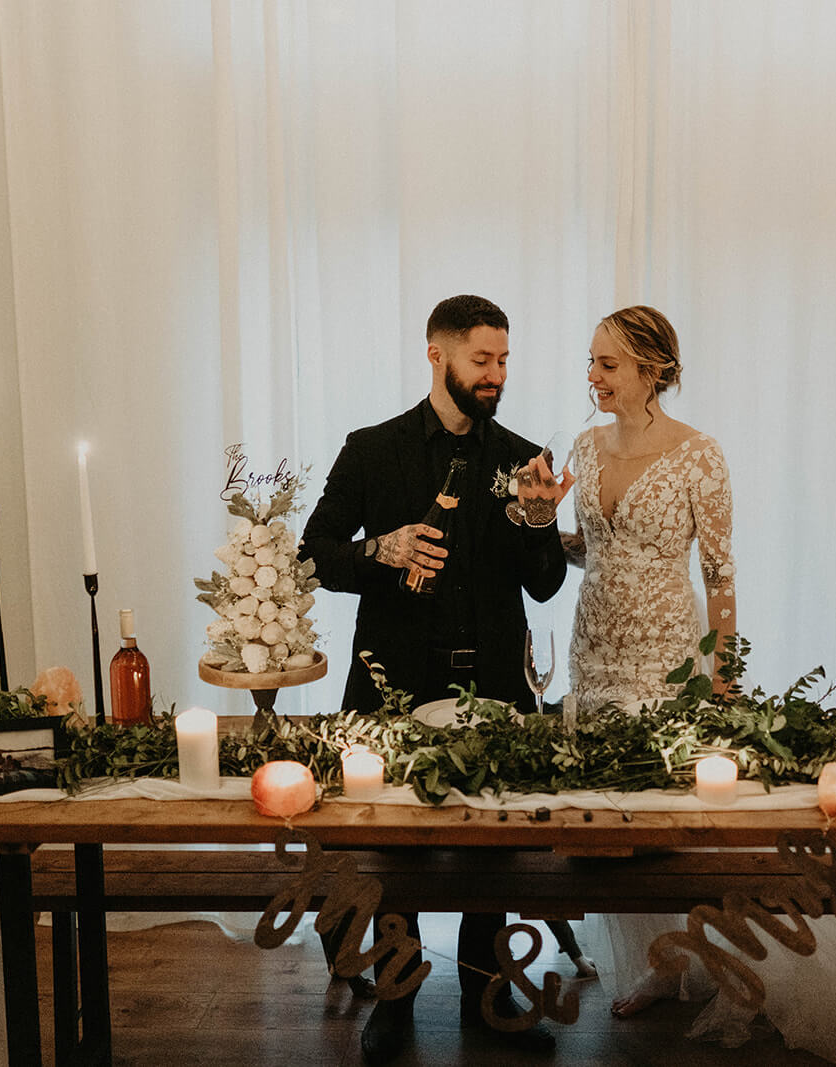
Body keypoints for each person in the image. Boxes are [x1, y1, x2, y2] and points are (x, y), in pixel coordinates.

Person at [565, 306, 836, 1063]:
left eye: (607, 364)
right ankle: (661, 963)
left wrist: (722, 672)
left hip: (665, 652)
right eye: (590, 361)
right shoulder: (583, 449)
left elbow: (720, 573)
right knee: (613, 814)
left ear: (653, 370)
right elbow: (586, 549)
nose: (591, 375)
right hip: (593, 647)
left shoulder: (699, 456)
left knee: (672, 812)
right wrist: (537, 522)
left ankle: (727, 963)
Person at [300, 294, 572, 1064]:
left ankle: (492, 994)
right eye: (482, 359)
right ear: (436, 354)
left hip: (495, 683)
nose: (497, 374)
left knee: (494, 849)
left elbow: (546, 585)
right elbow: (314, 551)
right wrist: (377, 551)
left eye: (505, 360)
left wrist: (541, 520)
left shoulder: (521, 459)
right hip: (392, 682)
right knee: (398, 852)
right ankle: (396, 996)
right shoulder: (371, 448)